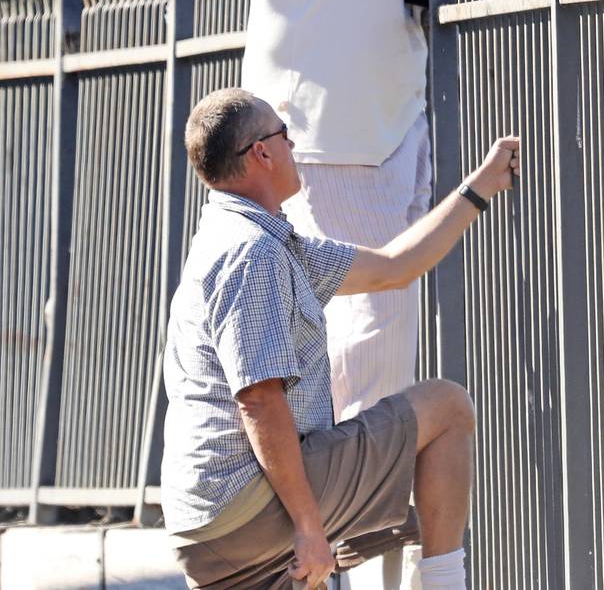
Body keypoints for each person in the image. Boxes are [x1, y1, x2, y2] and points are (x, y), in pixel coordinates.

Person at [241, 0, 506, 585]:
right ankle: (355, 546)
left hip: (382, 128)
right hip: (331, 137)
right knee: (361, 339)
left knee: (377, 334)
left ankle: (375, 542)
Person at [161, 87, 519, 590]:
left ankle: (351, 534)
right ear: (261, 153)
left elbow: (395, 267)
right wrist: (309, 529)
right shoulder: (251, 253)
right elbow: (260, 401)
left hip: (210, 523)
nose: (294, 147)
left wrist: (479, 188)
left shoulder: (261, 241)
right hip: (241, 506)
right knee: (446, 407)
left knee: (405, 499)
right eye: (285, 136)